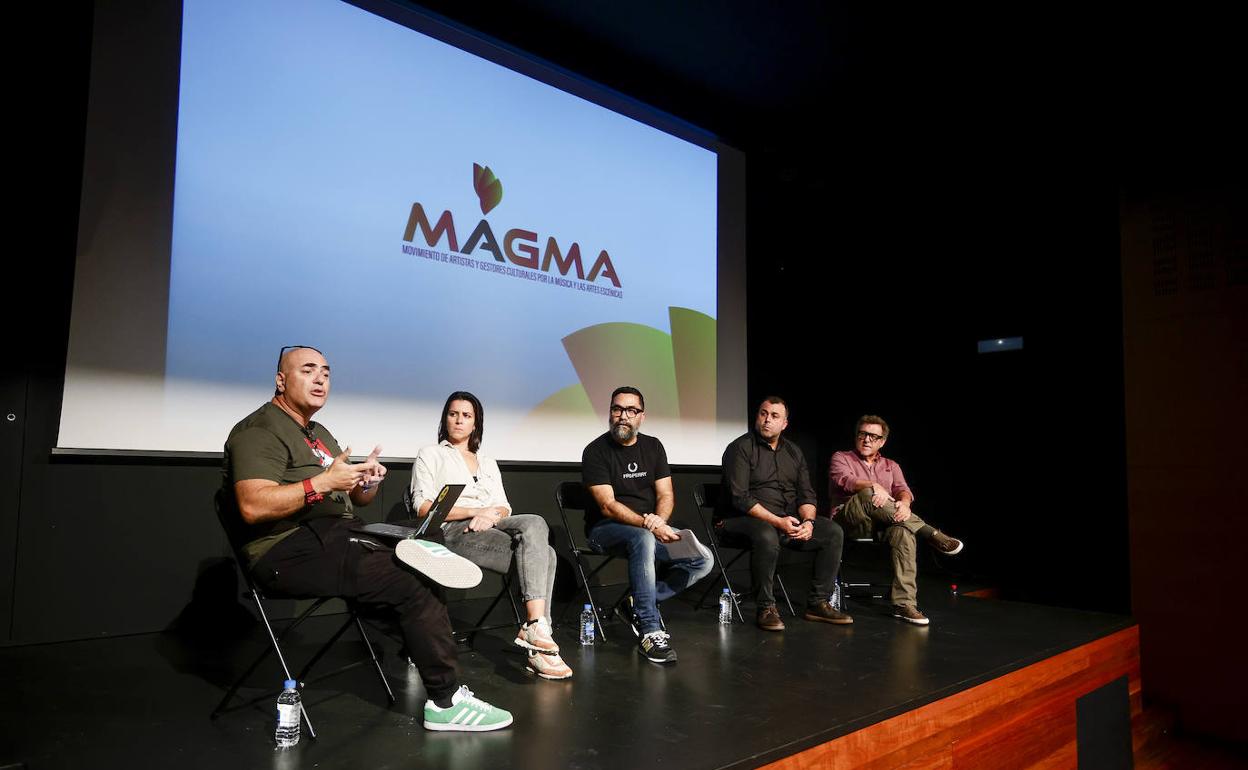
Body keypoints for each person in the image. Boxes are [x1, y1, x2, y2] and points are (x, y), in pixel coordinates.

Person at [223, 345, 512, 730]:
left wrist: (365, 484)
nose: (320, 378)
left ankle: (418, 640)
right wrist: (325, 481)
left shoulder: (318, 432)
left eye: (325, 371)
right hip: (286, 550)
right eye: (308, 370)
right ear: (281, 379)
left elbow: (349, 499)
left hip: (337, 533)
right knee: (411, 577)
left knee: (425, 537)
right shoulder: (259, 430)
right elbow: (252, 507)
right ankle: (445, 702)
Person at [410, 391, 572, 681]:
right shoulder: (431, 454)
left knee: (535, 523)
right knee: (544, 555)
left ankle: (535, 626)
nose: (459, 420)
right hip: (454, 532)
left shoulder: (488, 462)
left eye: (466, 415)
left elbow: (504, 505)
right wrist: (477, 510)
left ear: (476, 423)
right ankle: (540, 648)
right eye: (453, 413)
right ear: (445, 418)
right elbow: (423, 508)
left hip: (492, 525)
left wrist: (490, 515)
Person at [581, 386, 713, 664]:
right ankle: (650, 629)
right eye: (617, 409)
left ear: (642, 416)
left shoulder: (653, 446)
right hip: (605, 530)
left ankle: (638, 603)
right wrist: (649, 525)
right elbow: (607, 505)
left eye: (631, 410)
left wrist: (659, 521)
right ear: (610, 413)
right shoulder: (595, 451)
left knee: (702, 559)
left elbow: (666, 494)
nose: (623, 416)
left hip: (650, 527)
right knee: (643, 538)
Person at [717, 397, 852, 630]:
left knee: (832, 531)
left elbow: (806, 494)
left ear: (785, 424)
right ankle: (766, 607)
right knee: (766, 533)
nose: (767, 419)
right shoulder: (740, 448)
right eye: (763, 413)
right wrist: (778, 522)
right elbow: (740, 499)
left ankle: (818, 603)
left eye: (774, 416)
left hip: (783, 520)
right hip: (738, 520)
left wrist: (808, 522)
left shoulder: (793, 452)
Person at [828, 414, 964, 626]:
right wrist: (873, 486)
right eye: (862, 434)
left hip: (882, 523)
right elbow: (844, 480)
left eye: (873, 436)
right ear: (856, 436)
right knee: (867, 493)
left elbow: (903, 490)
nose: (867, 440)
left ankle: (904, 604)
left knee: (903, 531)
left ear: (882, 441)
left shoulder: (891, 465)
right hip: (849, 520)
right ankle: (930, 533)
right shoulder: (842, 457)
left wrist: (905, 503)